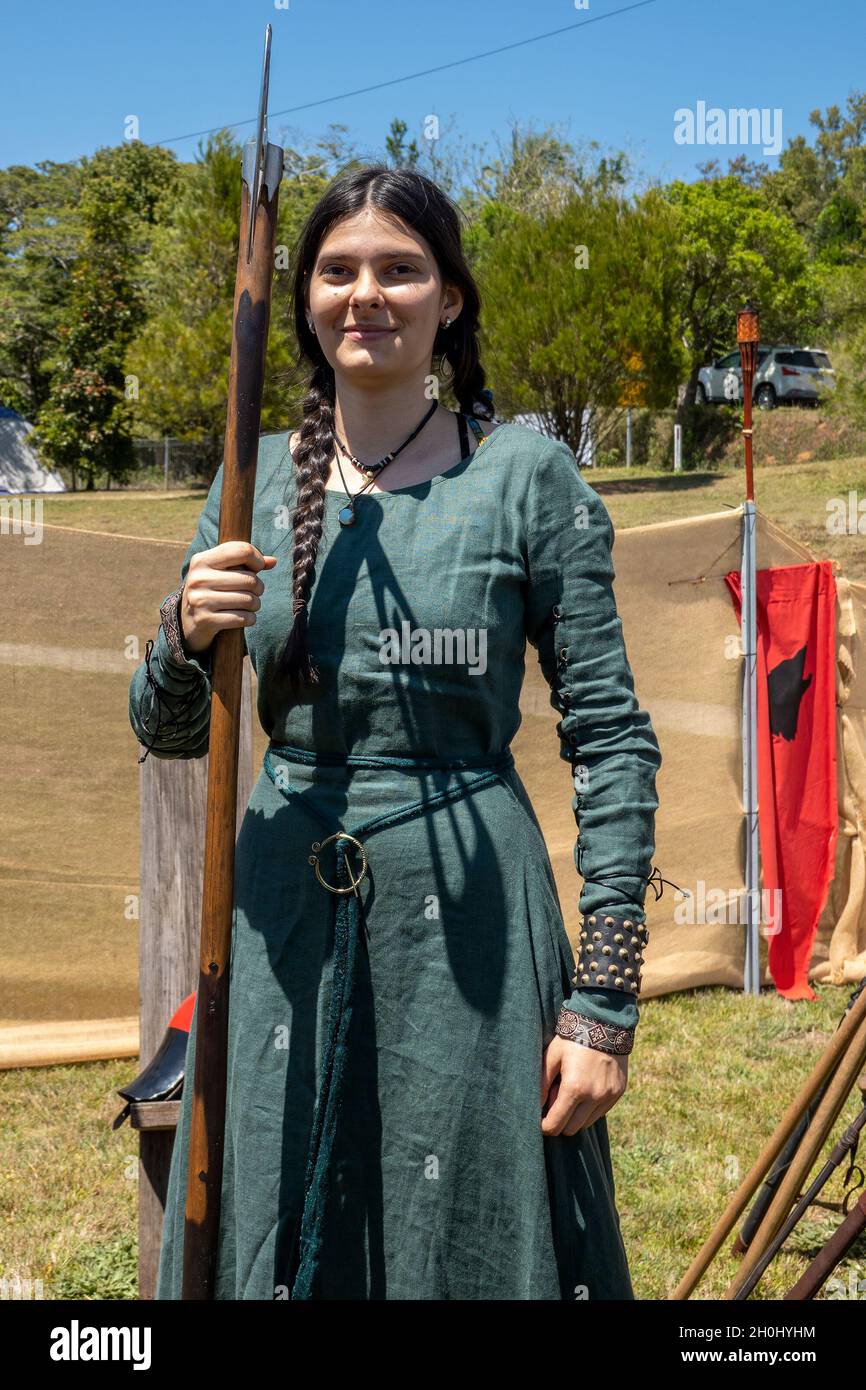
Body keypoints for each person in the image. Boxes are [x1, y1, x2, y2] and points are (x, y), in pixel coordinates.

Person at [128, 164, 662, 1301]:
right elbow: (170, 729)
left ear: (449, 299)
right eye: (336, 270)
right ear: (304, 297)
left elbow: (610, 737)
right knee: (269, 1201)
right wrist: (182, 630)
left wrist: (604, 1000)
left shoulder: (524, 473)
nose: (365, 293)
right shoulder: (251, 476)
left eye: (399, 269)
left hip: (466, 931)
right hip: (275, 916)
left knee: (460, 1224)